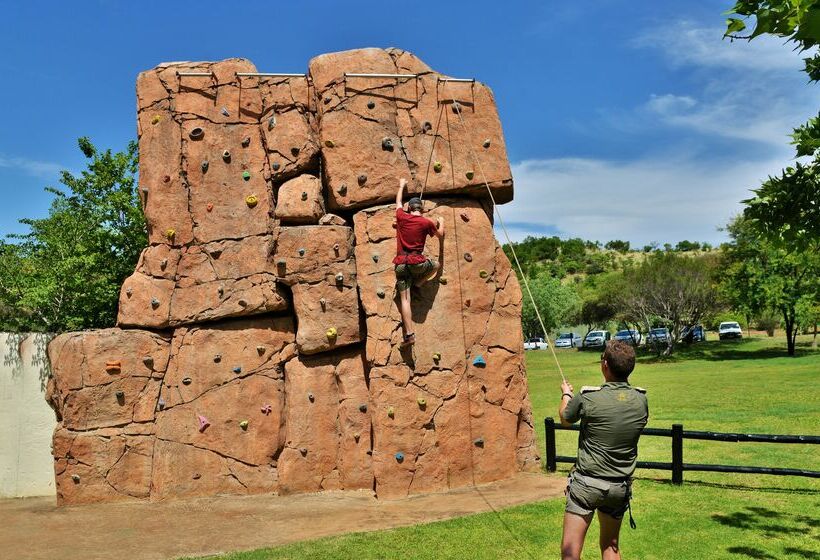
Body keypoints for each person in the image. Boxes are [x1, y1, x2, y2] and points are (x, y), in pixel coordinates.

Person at [558, 340, 649, 560]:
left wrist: (566, 394)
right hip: (619, 487)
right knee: (610, 547)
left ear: (605, 365)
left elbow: (565, 418)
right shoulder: (641, 400)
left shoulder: (589, 396)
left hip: (586, 486)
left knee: (570, 552)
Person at [393, 177, 445, 347]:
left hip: (401, 265)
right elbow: (440, 235)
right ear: (422, 209)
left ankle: (409, 335)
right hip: (417, 264)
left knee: (405, 301)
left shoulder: (401, 216)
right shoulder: (426, 222)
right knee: (436, 265)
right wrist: (441, 223)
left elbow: (398, 202)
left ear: (409, 209)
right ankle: (420, 282)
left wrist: (401, 185)